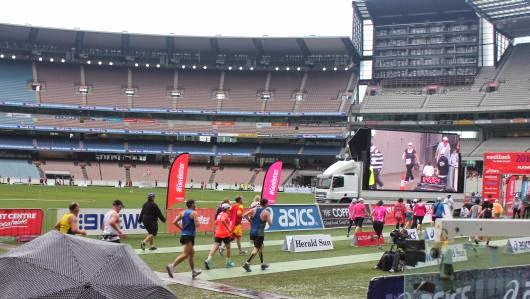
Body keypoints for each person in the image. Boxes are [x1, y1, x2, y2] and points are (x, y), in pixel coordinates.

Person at [166, 200, 202, 279]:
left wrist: (182, 229)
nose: (196, 205)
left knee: (191, 254)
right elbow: (197, 225)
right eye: (195, 204)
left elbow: (174, 222)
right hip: (189, 236)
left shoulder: (182, 212)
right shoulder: (194, 213)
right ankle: (172, 266)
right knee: (187, 254)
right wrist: (198, 220)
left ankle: (193, 272)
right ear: (192, 205)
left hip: (185, 235)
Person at [242, 198, 272, 272]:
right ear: (265, 204)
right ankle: (247, 263)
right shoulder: (266, 212)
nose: (268, 204)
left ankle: (262, 264)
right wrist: (266, 220)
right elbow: (270, 224)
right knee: (256, 248)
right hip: (260, 232)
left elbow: (244, 215)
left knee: (261, 247)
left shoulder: (254, 209)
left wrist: (250, 221)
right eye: (267, 203)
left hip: (252, 232)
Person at [205, 203, 235, 269]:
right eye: (228, 208)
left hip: (218, 233)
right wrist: (228, 228)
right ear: (226, 208)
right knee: (228, 248)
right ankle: (228, 263)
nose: (229, 209)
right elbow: (223, 220)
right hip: (225, 234)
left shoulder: (219, 214)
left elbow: (216, 222)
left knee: (215, 247)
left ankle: (208, 260)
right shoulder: (225, 214)